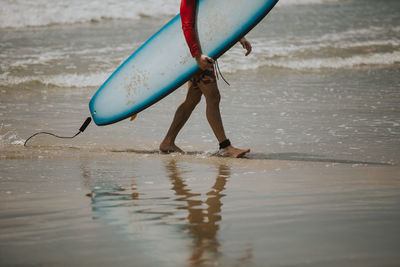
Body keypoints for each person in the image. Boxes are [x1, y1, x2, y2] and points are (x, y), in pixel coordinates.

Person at [159, 0, 252, 158]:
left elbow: (216, 16)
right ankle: (225, 146)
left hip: (200, 53)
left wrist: (240, 37)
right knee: (213, 97)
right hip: (197, 55)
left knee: (192, 99)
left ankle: (168, 142)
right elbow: (187, 25)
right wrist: (197, 56)